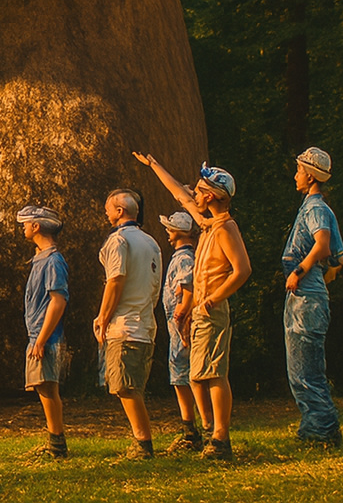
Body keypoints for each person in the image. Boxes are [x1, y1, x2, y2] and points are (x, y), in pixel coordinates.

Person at [134, 152, 251, 461]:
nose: (193, 194)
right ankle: (209, 431)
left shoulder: (225, 229)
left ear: (210, 196)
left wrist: (214, 298)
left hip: (211, 311)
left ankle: (221, 439)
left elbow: (242, 270)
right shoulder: (208, 225)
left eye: (199, 191)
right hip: (200, 312)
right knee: (197, 375)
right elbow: (180, 195)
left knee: (213, 373)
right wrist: (155, 165)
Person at [283, 147, 343, 447]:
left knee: (304, 370)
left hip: (306, 297)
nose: (295, 176)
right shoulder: (319, 208)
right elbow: (340, 258)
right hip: (309, 295)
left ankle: (321, 433)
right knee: (304, 368)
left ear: (310, 176)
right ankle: (319, 429)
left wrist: (299, 271)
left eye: (299, 171)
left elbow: (322, 245)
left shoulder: (315, 209)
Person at [94, 190, 162, 458]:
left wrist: (103, 317)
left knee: (125, 386)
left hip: (125, 323)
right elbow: (155, 285)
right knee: (130, 385)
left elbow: (116, 280)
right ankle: (141, 440)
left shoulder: (118, 241)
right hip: (145, 322)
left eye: (108, 208)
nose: (106, 212)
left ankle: (143, 443)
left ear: (120, 211)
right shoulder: (151, 242)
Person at [17, 204, 69, 459]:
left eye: (25, 224)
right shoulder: (41, 259)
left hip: (46, 335)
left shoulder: (53, 261)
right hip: (38, 334)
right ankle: (54, 440)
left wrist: (41, 339)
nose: (23, 229)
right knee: (43, 387)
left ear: (36, 226)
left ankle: (57, 444)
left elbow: (58, 301)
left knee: (47, 388)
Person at [159, 210, 201, 452]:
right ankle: (191, 426)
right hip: (177, 322)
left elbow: (187, 290)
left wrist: (181, 315)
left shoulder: (184, 258)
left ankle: (190, 427)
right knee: (180, 372)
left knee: (181, 372)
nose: (168, 232)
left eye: (170, 229)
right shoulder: (183, 256)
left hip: (180, 322)